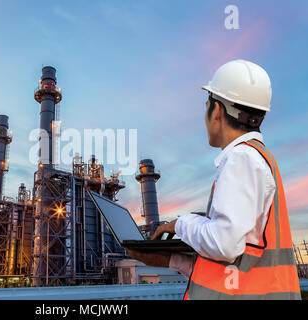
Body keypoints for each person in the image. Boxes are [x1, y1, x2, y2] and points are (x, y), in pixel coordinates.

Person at [127, 59, 301, 300]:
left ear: (217, 110)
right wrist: (172, 260)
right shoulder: (258, 159)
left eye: (206, 105)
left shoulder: (242, 158)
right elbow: (234, 269)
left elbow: (225, 245)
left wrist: (180, 224)